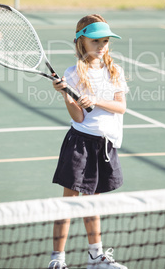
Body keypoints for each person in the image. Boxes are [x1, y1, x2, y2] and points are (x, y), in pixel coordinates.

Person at [48, 14, 129, 269]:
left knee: (91, 201)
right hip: (80, 143)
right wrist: (67, 96)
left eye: (105, 41)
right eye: (95, 41)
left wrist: (94, 100)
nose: (101, 45)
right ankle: (57, 259)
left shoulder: (115, 71)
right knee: (69, 201)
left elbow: (121, 107)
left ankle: (96, 256)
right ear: (81, 41)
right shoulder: (72, 73)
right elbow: (78, 116)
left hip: (104, 145)